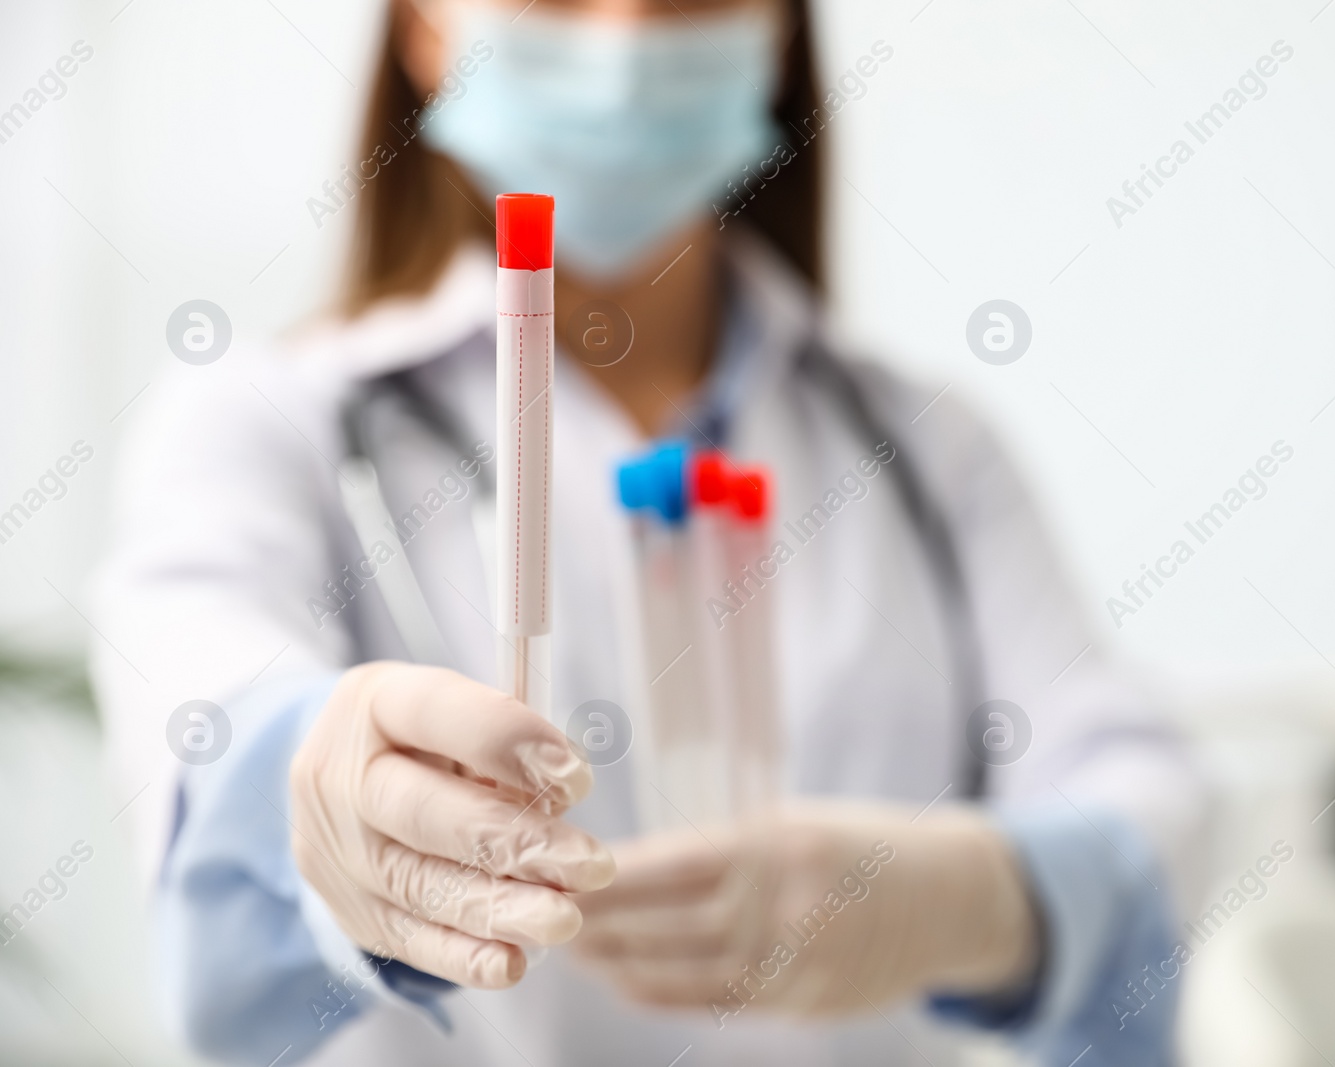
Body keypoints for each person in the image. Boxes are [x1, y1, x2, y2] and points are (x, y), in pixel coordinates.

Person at [91, 0, 1208, 1063]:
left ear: (776, 31)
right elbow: (211, 750)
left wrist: (980, 896)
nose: (624, 35)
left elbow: (1149, 800)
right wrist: (323, 788)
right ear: (425, 23)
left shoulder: (930, 448)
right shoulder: (266, 422)